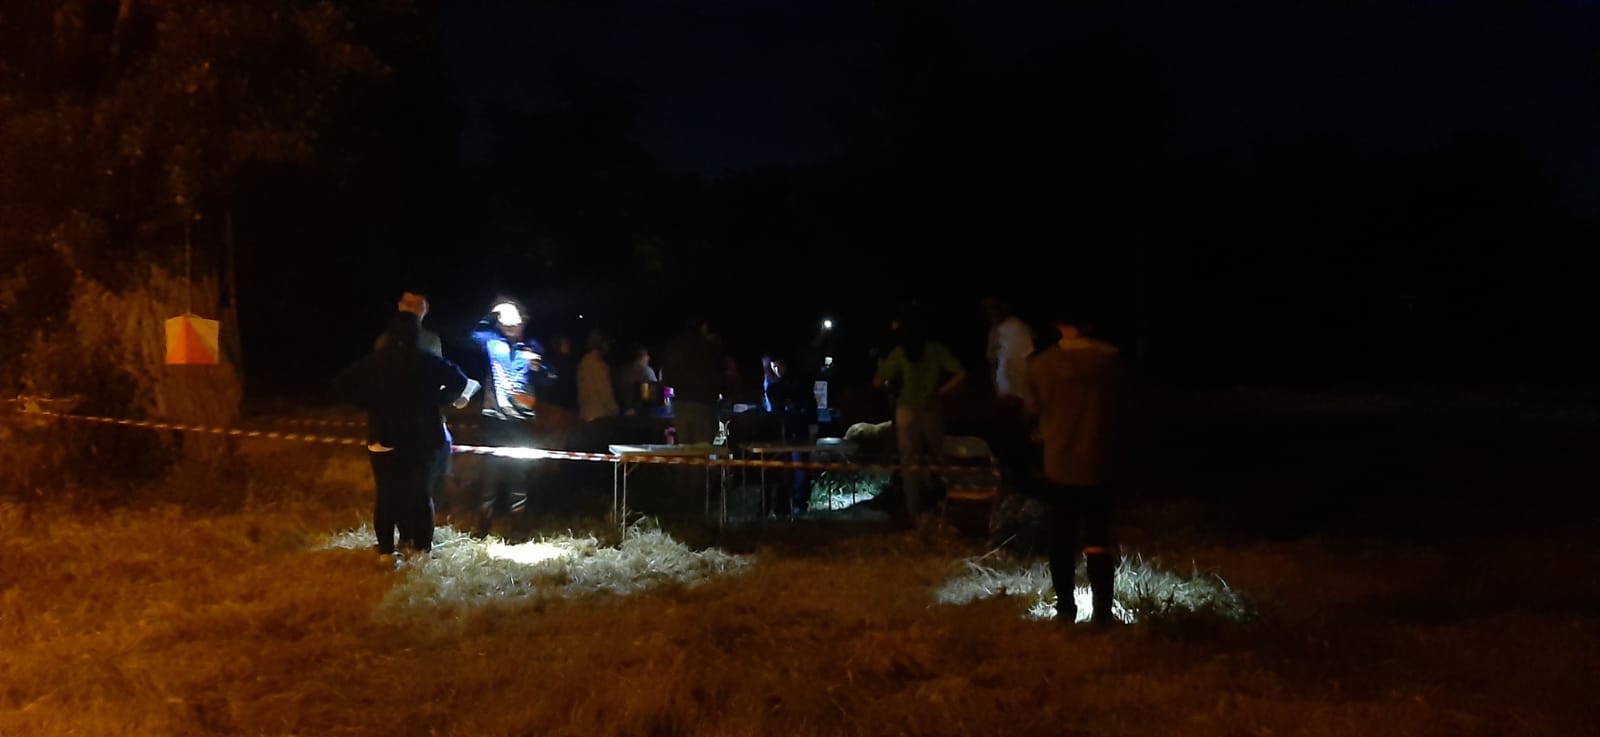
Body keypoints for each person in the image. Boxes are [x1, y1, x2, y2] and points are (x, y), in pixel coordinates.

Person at [337, 312, 477, 559]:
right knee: (420, 494)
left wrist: (368, 403)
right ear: (416, 335)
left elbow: (343, 384)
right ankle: (421, 549)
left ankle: (385, 551)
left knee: (386, 494)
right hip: (420, 438)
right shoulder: (426, 360)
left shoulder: (375, 361)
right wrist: (438, 399)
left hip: (383, 436)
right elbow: (460, 381)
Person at [1024, 309, 1126, 625]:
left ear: (1058, 323)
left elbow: (1032, 412)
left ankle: (1066, 609)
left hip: (1058, 461)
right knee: (1098, 538)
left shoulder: (1040, 365)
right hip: (1098, 460)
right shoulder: (1110, 360)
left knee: (1062, 539)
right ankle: (1102, 612)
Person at [872, 310, 966, 522]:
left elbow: (877, 382)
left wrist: (894, 389)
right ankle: (952, 504)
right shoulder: (935, 349)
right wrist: (940, 391)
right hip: (931, 408)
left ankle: (913, 511)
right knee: (941, 458)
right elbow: (961, 373)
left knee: (909, 463)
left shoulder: (899, 352)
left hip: (905, 409)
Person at [470, 298, 552, 538]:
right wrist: (492, 312)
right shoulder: (492, 343)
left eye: (515, 322)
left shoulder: (532, 347)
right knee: (490, 474)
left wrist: (540, 369)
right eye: (505, 322)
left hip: (521, 423)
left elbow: (551, 378)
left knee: (518, 474)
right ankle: (482, 527)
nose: (511, 327)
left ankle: (518, 528)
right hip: (494, 420)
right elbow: (473, 334)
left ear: (523, 323)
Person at [374, 291, 443, 357]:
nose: (412, 309)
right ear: (399, 305)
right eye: (408, 304)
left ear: (427, 308)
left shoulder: (433, 341)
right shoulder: (384, 340)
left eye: (418, 305)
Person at [578, 329, 620, 422]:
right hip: (601, 416)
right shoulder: (598, 364)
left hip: (586, 415)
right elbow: (605, 392)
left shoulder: (583, 363)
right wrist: (615, 410)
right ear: (602, 344)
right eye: (607, 343)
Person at [615, 343, 659, 416]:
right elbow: (652, 395)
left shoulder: (621, 371)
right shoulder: (647, 371)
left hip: (624, 412)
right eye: (646, 355)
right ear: (641, 356)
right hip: (642, 413)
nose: (649, 358)